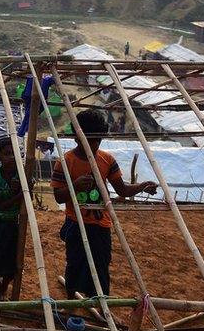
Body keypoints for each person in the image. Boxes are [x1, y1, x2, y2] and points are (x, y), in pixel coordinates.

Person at [51, 109, 157, 299]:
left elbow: (122, 190)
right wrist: (75, 186)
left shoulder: (106, 160)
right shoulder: (66, 162)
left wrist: (141, 186)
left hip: (101, 225)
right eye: (90, 140)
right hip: (77, 223)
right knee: (75, 263)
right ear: (77, 137)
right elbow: (59, 196)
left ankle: (100, 303)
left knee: (101, 265)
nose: (94, 145)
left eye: (97, 140)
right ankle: (71, 303)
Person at [0, 137, 30, 300]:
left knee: (13, 260)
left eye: (14, 153)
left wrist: (25, 189)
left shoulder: (22, 175)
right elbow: (2, 205)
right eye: (6, 154)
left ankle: (4, 286)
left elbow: (26, 199)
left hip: (12, 222)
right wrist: (20, 193)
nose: (11, 157)